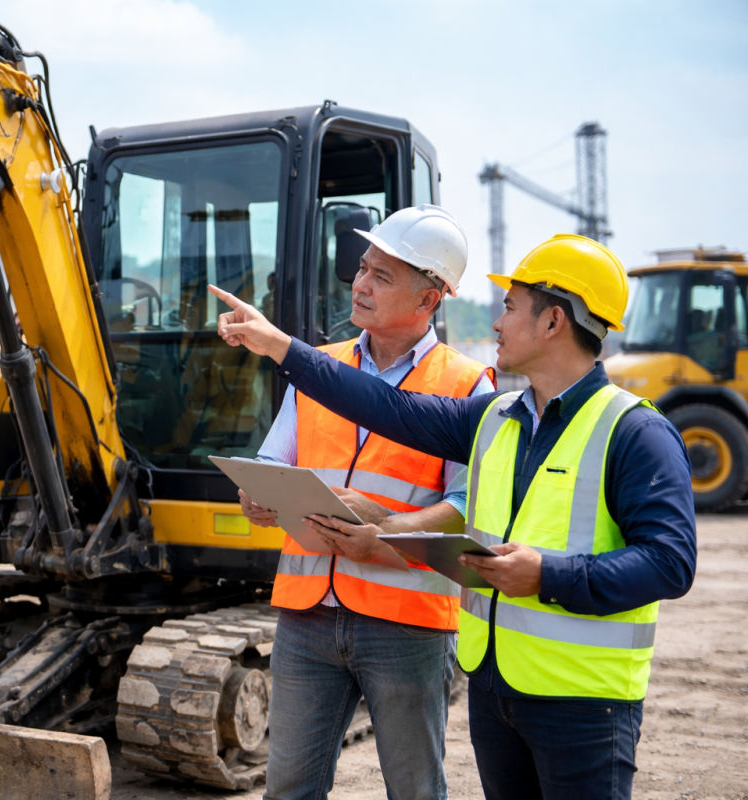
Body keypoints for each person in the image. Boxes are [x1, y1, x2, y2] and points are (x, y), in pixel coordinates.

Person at [211, 233, 697, 800]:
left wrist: (548, 574)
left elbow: (670, 562)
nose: (495, 322)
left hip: (582, 700)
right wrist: (281, 348)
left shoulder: (636, 431)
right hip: (496, 686)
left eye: (510, 307)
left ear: (553, 323)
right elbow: (386, 406)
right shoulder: (498, 418)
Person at [240, 205, 495, 800]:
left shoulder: (465, 385)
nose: (359, 284)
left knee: (414, 790)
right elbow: (274, 459)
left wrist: (391, 532)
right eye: (361, 268)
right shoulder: (321, 369)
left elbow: (470, 503)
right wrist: (261, 491)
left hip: (405, 625)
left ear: (429, 300)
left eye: (382, 276)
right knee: (288, 791)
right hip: (307, 614)